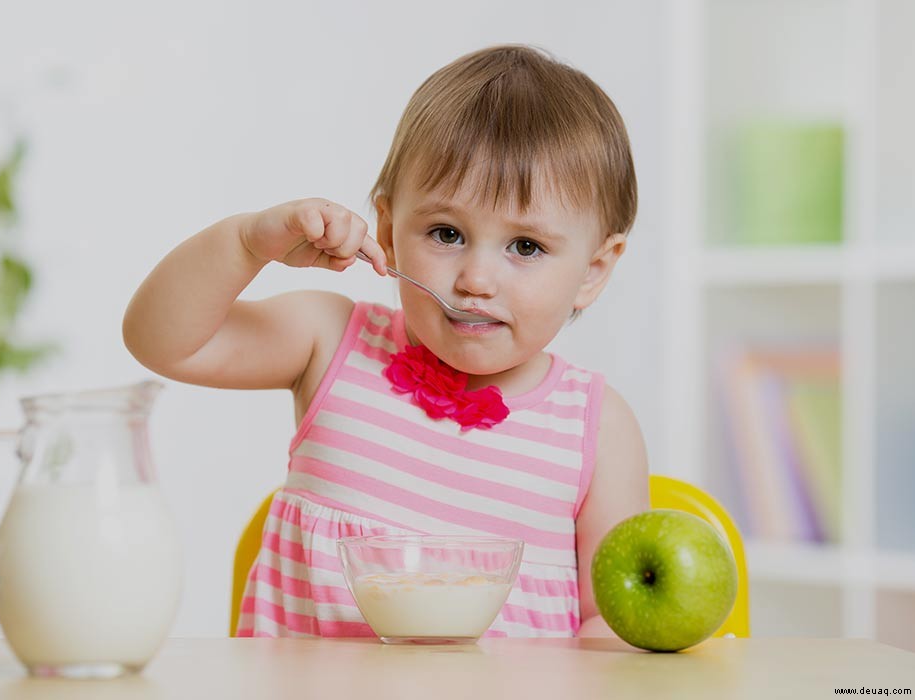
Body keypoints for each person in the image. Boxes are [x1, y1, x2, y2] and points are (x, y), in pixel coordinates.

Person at [123, 44, 649, 638]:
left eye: (525, 247)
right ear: (389, 233)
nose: (476, 279)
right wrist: (247, 244)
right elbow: (161, 341)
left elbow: (612, 620)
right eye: (446, 233)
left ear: (593, 270)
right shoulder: (331, 342)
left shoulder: (598, 428)